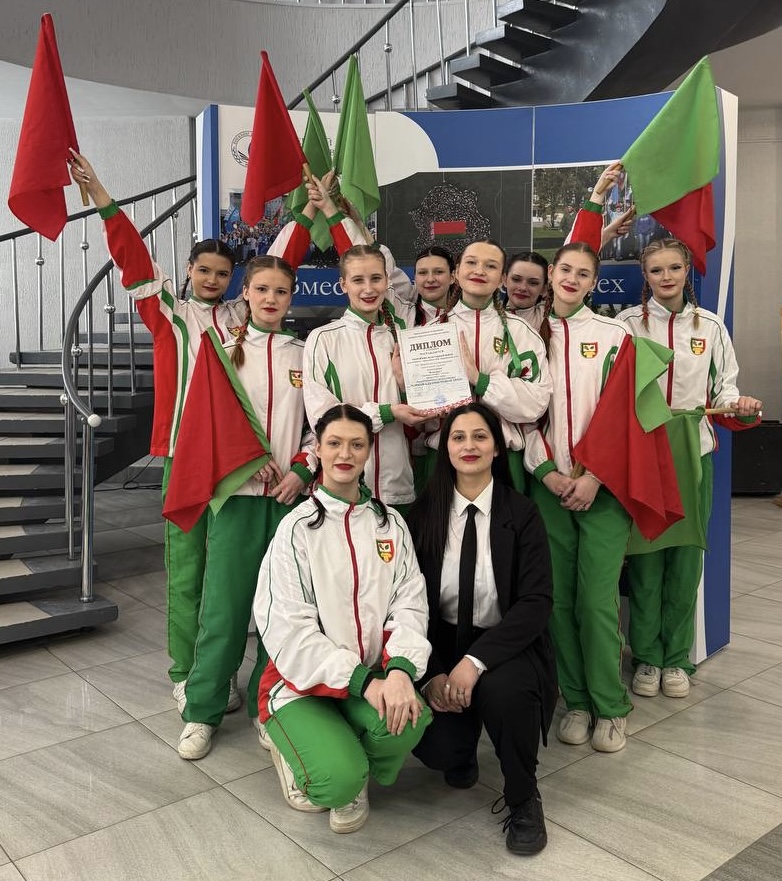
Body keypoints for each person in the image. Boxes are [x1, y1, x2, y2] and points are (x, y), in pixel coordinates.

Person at [68, 151, 247, 715]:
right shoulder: (168, 311)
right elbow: (132, 256)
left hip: (235, 462)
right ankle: (186, 670)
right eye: (204, 270)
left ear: (233, 279)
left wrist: (319, 210)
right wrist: (102, 196)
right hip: (182, 456)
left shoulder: (244, 318)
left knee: (228, 574)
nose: (213, 279)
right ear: (189, 270)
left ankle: (220, 669)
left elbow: (287, 254)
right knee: (187, 570)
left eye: (222, 273)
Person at [161, 254, 317, 760]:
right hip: (236, 499)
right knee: (223, 609)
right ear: (245, 293)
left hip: (290, 500)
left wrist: (302, 468)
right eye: (262, 289)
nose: (271, 299)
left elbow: (320, 424)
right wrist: (248, 462)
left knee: (285, 611)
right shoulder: (220, 350)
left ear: (291, 298)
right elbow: (205, 424)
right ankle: (202, 711)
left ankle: (268, 706)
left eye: (281, 291)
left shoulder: (305, 353)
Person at [253, 403, 432, 833]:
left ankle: (343, 754)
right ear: (317, 448)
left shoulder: (390, 525)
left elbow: (409, 602)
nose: (345, 454)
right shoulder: (296, 529)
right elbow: (289, 629)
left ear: (369, 450)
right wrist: (365, 682)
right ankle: (307, 755)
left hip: (367, 678)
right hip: (297, 684)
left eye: (356, 444)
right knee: (336, 784)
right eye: (334, 443)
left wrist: (400, 671)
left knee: (410, 719)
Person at [406, 402, 557, 855]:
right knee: (440, 750)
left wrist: (475, 662)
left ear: (496, 448)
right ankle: (463, 741)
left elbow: (535, 603)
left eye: (480, 436)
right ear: (445, 448)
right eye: (458, 437)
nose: (468, 445)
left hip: (504, 643)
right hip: (442, 642)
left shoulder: (523, 514)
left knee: (506, 694)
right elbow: (406, 604)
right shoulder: (421, 516)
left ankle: (524, 797)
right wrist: (434, 673)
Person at [617, 239, 762, 699]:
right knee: (645, 561)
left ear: (686, 272)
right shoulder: (627, 324)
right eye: (656, 270)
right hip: (644, 458)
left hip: (693, 456)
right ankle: (646, 656)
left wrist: (739, 404)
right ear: (645, 276)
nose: (666, 277)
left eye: (674, 268)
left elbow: (725, 391)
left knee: (684, 561)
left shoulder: (711, 326)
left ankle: (676, 658)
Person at [524, 241, 634, 753]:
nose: (571, 279)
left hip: (602, 489)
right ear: (551, 273)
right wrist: (547, 472)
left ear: (594, 282)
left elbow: (622, 414)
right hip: (548, 488)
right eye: (565, 269)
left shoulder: (614, 336)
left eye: (583, 273)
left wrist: (593, 476)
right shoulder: (526, 334)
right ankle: (577, 702)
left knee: (596, 601)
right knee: (559, 600)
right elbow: (522, 414)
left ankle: (610, 706)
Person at [303, 245, 428, 509]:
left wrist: (406, 387)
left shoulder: (403, 336)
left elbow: (420, 414)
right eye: (358, 280)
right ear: (343, 285)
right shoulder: (323, 339)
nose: (368, 289)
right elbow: (322, 418)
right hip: (343, 488)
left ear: (387, 280)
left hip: (399, 486)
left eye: (376, 278)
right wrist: (386, 412)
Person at [425, 238, 553, 493]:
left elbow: (536, 403)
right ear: (456, 273)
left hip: (502, 456)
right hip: (444, 455)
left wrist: (481, 381)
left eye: (491, 266)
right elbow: (421, 410)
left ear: (502, 278)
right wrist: (404, 385)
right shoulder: (428, 334)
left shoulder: (522, 333)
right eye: (471, 263)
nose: (480, 271)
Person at [504, 251, 549, 331]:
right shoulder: (489, 318)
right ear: (504, 280)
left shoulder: (552, 320)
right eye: (516, 279)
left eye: (533, 283)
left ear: (544, 289)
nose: (523, 288)